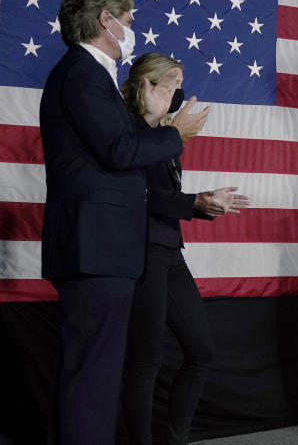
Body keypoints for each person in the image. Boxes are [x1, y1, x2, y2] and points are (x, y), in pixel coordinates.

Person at [39, 0, 208, 444]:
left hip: (104, 249)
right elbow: (118, 149)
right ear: (105, 21)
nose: (131, 30)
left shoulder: (94, 78)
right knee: (92, 378)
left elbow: (119, 152)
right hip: (95, 248)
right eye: (128, 21)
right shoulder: (82, 73)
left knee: (92, 376)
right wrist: (176, 133)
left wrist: (155, 123)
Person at [118, 53, 249, 445]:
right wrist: (193, 202)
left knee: (201, 352)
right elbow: (141, 195)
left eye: (180, 83)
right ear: (146, 84)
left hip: (170, 252)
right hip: (140, 254)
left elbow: (167, 196)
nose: (179, 91)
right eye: (170, 82)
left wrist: (204, 202)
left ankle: (175, 438)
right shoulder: (130, 134)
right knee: (146, 362)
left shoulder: (166, 136)